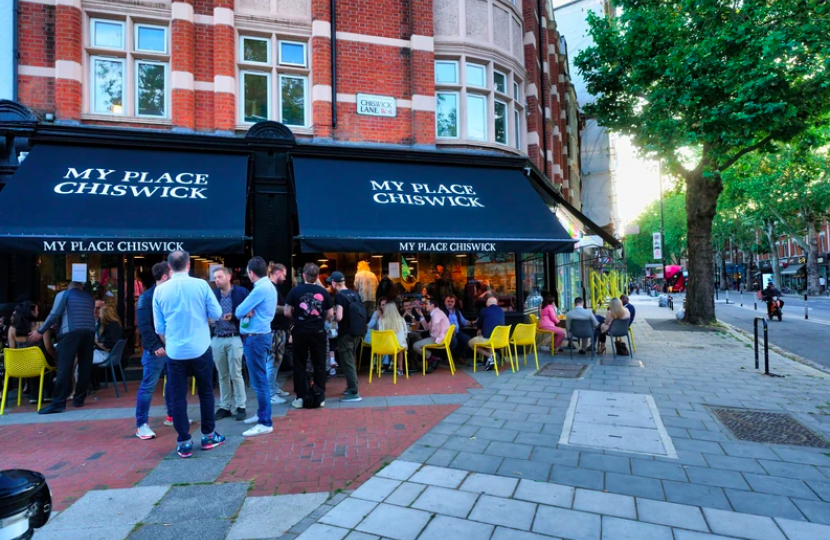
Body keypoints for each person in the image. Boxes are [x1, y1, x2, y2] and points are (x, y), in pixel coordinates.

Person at [153, 250, 225, 458]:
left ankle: (184, 441)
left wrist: (169, 343)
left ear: (169, 267)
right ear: (188, 264)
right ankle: (208, 435)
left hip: (175, 350)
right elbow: (217, 314)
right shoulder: (201, 285)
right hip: (200, 347)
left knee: (177, 396)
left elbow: (160, 327)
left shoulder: (160, 291)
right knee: (205, 392)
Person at [32, 281, 96, 415]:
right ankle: (79, 399)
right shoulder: (89, 297)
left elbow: (54, 314)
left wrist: (40, 331)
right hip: (89, 332)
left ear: (69, 287)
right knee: (85, 366)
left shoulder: (64, 294)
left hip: (70, 334)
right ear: (81, 287)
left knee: (64, 367)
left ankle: (58, 403)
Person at [234, 256, 277, 436]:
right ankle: (262, 415)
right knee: (259, 379)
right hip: (261, 336)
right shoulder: (268, 287)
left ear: (251, 273)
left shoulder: (260, 289)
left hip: (256, 338)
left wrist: (245, 311)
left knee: (259, 381)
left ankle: (265, 421)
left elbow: (238, 311)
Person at [135, 262, 175, 440]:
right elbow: (144, 325)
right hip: (157, 350)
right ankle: (141, 424)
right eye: (173, 272)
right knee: (148, 386)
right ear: (165, 276)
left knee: (172, 382)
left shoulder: (162, 294)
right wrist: (155, 346)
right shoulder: (146, 298)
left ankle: (172, 415)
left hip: (170, 347)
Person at [285, 263, 334, 409]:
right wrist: (320, 319)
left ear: (304, 275)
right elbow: (331, 313)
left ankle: (300, 397)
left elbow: (287, 312)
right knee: (319, 364)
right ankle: (320, 396)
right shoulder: (323, 292)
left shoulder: (295, 291)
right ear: (317, 276)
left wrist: (298, 318)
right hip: (318, 331)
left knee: (299, 364)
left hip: (300, 331)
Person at [211, 267, 250, 422]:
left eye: (220, 277)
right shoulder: (213, 294)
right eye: (215, 277)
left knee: (236, 372)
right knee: (222, 374)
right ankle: (225, 405)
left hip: (234, 336)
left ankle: (241, 405)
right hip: (217, 336)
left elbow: (249, 312)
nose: (217, 280)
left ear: (228, 277)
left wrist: (234, 317)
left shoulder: (240, 292)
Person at [7, 301, 56, 403]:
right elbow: (48, 346)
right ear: (31, 312)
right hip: (40, 364)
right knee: (48, 358)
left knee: (34, 361)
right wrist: (57, 358)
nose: (39, 311)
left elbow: (12, 350)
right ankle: (47, 393)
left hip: (21, 366)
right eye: (37, 309)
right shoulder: (41, 325)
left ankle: (34, 395)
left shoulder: (12, 329)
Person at [331, 271, 363, 402]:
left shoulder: (339, 297)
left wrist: (332, 317)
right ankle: (351, 386)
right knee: (351, 360)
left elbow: (339, 317)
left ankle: (354, 392)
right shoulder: (355, 294)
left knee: (347, 362)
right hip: (356, 331)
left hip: (346, 333)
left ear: (334, 283)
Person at [268, 263, 291, 403]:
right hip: (274, 329)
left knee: (277, 360)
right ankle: (270, 393)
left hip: (279, 329)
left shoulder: (274, 288)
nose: (284, 278)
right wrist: (288, 309)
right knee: (273, 360)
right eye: (284, 275)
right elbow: (271, 307)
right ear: (277, 273)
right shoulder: (271, 288)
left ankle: (274, 387)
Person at [412, 297, 450, 373]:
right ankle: (432, 359)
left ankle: (432, 359)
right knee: (420, 340)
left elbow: (435, 328)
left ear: (432, 305)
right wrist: (421, 315)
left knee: (415, 345)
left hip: (438, 339)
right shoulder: (436, 313)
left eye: (427, 304)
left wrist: (434, 336)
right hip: (441, 338)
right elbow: (427, 327)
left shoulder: (436, 314)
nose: (425, 306)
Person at [468, 296, 505, 371]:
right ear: (496, 304)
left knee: (470, 343)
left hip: (489, 339)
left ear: (487, 304)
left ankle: (491, 356)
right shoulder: (501, 311)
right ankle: (490, 361)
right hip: (501, 340)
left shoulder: (484, 310)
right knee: (488, 342)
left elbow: (478, 324)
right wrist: (482, 328)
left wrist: (479, 327)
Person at [379, 301, 408, 375]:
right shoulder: (401, 320)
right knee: (399, 348)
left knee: (395, 346)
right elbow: (405, 334)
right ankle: (400, 369)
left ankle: (383, 366)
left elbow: (380, 333)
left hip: (386, 346)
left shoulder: (382, 320)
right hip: (399, 346)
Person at [443, 295, 471, 361]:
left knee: (468, 340)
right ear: (445, 302)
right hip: (447, 333)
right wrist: (450, 330)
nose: (450, 303)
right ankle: (449, 358)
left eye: (452, 301)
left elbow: (464, 322)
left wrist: (472, 322)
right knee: (454, 341)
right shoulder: (442, 311)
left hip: (457, 331)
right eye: (448, 301)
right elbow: (442, 324)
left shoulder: (457, 311)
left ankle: (458, 355)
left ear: (454, 303)